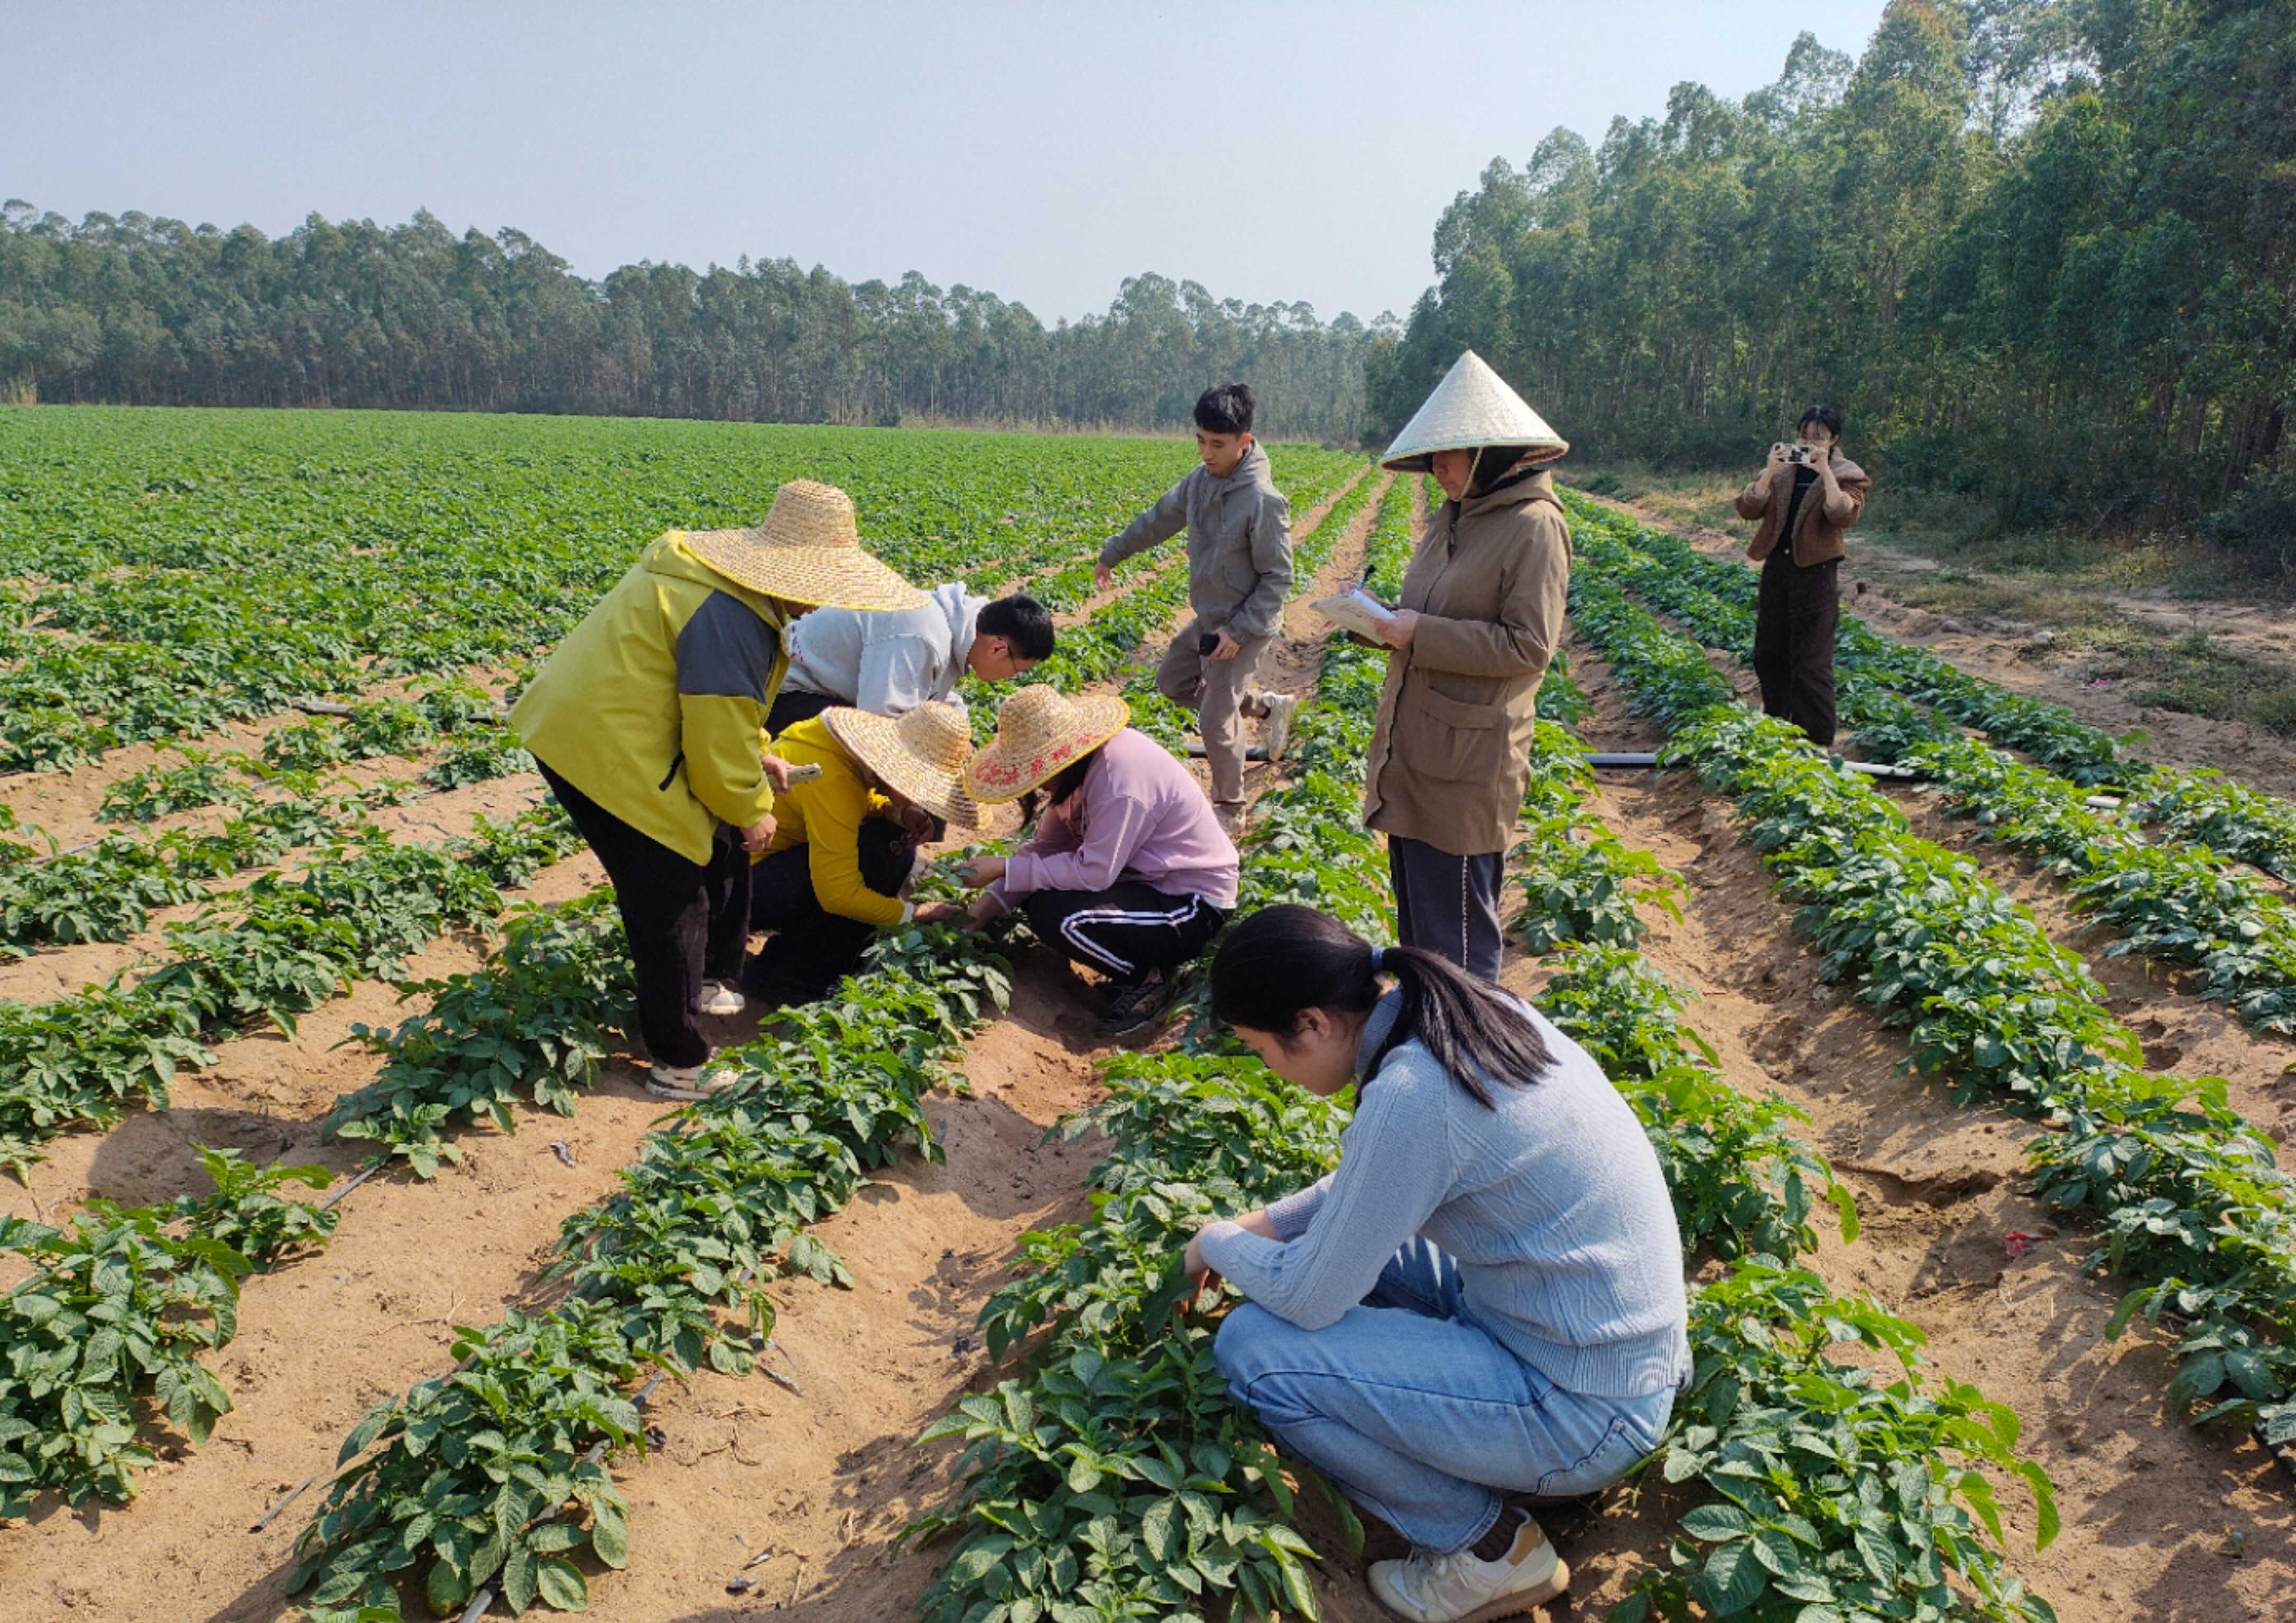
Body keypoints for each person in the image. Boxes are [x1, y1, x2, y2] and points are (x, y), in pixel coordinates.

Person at [1188, 905, 1688, 1623]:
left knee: (1254, 1350)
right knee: (1349, 1243)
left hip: (1583, 1409)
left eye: (1259, 1048)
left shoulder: (1412, 1095)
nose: (1269, 1068)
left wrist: (1216, 1241)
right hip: (1608, 1357)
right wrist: (1261, 1225)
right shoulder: (1467, 1013)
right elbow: (1381, 1182)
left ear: (1312, 1023)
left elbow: (1307, 1299)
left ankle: (1487, 1550)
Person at [509, 479, 924, 1099]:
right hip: (604, 750)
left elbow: (724, 715)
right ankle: (680, 1061)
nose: (820, 604)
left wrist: (759, 757)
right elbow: (711, 741)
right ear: (787, 571)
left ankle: (704, 977)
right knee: (673, 897)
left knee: (719, 848)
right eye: (819, 587)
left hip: (610, 727)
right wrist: (752, 806)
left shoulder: (727, 594)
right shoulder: (730, 619)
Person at [1362, 350, 1572, 983]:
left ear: (1493, 452)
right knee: (1422, 941)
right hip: (1416, 751)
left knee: (1458, 949)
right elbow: (1428, 615)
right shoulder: (1451, 518)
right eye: (1434, 455)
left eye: (1451, 454)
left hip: (1468, 765)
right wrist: (1384, 623)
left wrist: (1418, 632)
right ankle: (1434, 1051)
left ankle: (1470, 1063)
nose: (1438, 467)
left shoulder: (1534, 527)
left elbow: (1528, 646)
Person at [923, 684, 1236, 1040]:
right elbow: (1043, 852)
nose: (1037, 785)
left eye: (1036, 773)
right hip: (1146, 885)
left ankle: (1149, 980)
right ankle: (1136, 968)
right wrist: (979, 913)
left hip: (1191, 904)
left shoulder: (1119, 779)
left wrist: (1004, 867)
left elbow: (1094, 872)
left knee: (1061, 918)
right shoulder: (1078, 774)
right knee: (1040, 895)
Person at [1093, 382, 1298, 833]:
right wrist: (1113, 553)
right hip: (1210, 617)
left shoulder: (1262, 500)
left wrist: (1238, 632)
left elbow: (1278, 578)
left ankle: (1230, 807)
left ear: (1245, 442)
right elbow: (1159, 519)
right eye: (1201, 440)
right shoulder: (1200, 482)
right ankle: (1264, 707)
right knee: (1172, 680)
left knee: (1216, 713)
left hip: (1245, 623)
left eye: (1218, 444)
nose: (1207, 452)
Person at [739, 700, 983, 1019]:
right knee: (877, 857)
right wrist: (913, 912)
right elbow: (839, 894)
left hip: (746, 869)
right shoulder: (830, 776)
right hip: (738, 888)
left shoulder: (839, 755)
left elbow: (851, 804)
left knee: (890, 841)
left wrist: (897, 811)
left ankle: (797, 963)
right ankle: (792, 978)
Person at [1738, 403, 1869, 749]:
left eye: (1820, 438)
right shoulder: (1785, 470)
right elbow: (1748, 508)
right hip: (1778, 571)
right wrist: (1769, 471)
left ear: (1835, 439)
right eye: (1806, 436)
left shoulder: (1848, 473)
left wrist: (1825, 472)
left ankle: (1817, 743)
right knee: (1768, 654)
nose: (1811, 444)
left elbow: (1842, 514)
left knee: (1811, 664)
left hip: (1816, 574)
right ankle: (1778, 727)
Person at [765, 586, 1057, 735]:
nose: (1011, 679)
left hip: (833, 691)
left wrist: (959, 733)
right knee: (865, 766)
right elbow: (881, 721)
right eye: (1017, 671)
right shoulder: (923, 633)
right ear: (998, 649)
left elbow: (929, 693)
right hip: (788, 694)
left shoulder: (960, 627)